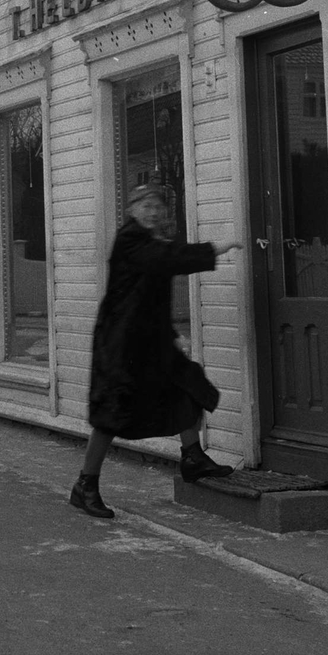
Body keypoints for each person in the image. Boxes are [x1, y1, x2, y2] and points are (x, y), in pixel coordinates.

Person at [71, 182, 243, 520]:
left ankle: (192, 457)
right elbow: (166, 260)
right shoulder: (130, 240)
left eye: (157, 206)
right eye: (145, 205)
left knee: (185, 382)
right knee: (112, 412)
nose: (152, 212)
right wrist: (213, 249)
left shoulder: (149, 241)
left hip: (151, 339)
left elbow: (149, 297)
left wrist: (172, 334)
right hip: (121, 344)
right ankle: (85, 485)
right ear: (132, 210)